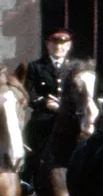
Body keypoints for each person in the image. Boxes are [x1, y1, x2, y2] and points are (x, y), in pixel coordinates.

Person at [23, 27, 73, 183]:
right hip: (43, 118)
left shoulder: (73, 67)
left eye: (63, 44)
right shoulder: (35, 67)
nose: (59, 47)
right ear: (47, 45)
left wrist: (64, 105)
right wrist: (45, 103)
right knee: (30, 147)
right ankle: (27, 183)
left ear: (69, 45)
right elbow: (29, 94)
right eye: (54, 43)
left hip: (69, 119)